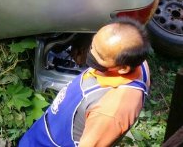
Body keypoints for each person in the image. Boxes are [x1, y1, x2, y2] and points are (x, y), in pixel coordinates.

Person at [19, 17, 152, 147]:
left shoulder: (109, 112)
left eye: (99, 55)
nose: (91, 52)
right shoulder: (138, 62)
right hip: (46, 129)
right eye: (93, 44)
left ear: (123, 68)